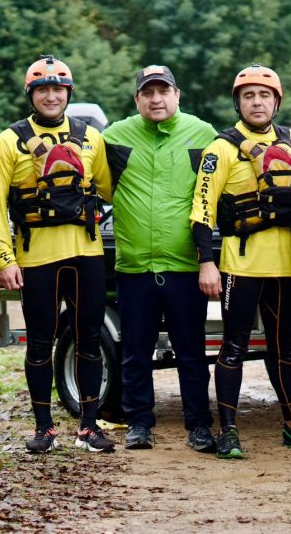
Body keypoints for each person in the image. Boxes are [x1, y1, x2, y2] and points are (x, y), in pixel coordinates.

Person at [191, 63, 291, 459]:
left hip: (285, 268)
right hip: (241, 268)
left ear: (276, 102)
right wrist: (207, 263)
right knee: (234, 347)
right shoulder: (221, 149)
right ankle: (228, 431)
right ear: (238, 103)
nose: (257, 102)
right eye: (249, 96)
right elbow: (202, 210)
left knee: (283, 348)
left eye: (264, 95)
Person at [0, 55, 115, 453]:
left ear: (68, 93)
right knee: (41, 343)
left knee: (89, 340)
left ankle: (89, 427)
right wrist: (2, 260)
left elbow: (109, 191)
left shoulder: (92, 137)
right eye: (42, 88)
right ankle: (45, 428)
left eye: (58, 89)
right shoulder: (7, 141)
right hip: (36, 258)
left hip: (86, 255)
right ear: (31, 94)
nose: (50, 95)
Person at [102, 65, 218, 452]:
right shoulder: (115, 137)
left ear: (177, 94)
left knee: (192, 352)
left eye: (163, 91)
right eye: (147, 93)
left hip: (184, 265)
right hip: (135, 266)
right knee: (135, 350)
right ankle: (139, 423)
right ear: (136, 99)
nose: (156, 99)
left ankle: (199, 425)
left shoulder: (203, 134)